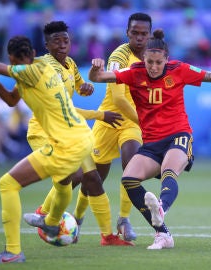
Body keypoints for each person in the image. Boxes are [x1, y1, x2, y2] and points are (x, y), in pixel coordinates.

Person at [88, 29, 211, 249]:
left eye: (158, 62)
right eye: (149, 62)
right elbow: (98, 78)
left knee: (170, 171)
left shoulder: (180, 70)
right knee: (128, 179)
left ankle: (161, 208)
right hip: (151, 143)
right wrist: (95, 69)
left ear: (166, 59)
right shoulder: (134, 72)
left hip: (178, 135)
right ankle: (163, 234)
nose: (153, 67)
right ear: (144, 59)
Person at [0, 21, 133, 247]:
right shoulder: (43, 67)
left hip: (70, 131)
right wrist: (100, 114)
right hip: (46, 131)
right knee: (73, 176)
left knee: (92, 178)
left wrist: (86, 87)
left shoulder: (70, 64)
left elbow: (77, 88)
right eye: (57, 41)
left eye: (66, 40)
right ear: (46, 45)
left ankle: (108, 237)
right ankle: (45, 214)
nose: (63, 45)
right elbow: (61, 106)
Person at [0, 17, 94, 264]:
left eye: (12, 63)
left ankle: (13, 251)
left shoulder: (26, 71)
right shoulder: (44, 66)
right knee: (63, 183)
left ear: (12, 60)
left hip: (65, 145)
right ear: (36, 53)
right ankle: (50, 223)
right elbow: (11, 100)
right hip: (82, 137)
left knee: (7, 184)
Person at [81, 12, 152, 241]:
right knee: (94, 177)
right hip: (109, 118)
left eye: (144, 34)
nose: (139, 38)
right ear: (127, 33)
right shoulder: (119, 56)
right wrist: (146, 121)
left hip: (131, 123)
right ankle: (77, 217)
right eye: (135, 33)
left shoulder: (152, 58)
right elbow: (119, 99)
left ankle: (123, 219)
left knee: (132, 164)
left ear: (149, 35)